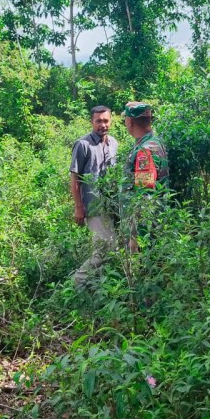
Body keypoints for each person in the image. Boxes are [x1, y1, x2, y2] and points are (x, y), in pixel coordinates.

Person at [70, 105, 119, 287]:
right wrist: (79, 207)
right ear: (92, 122)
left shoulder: (113, 143)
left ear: (111, 121)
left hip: (111, 206)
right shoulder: (83, 144)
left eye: (106, 120)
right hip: (93, 206)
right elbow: (75, 179)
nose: (102, 125)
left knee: (112, 248)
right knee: (104, 249)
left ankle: (98, 288)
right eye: (98, 121)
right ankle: (77, 283)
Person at [121, 102, 169, 251]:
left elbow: (144, 196)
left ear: (129, 121)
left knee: (141, 270)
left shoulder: (146, 150)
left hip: (144, 229)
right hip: (153, 223)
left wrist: (135, 237)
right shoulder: (155, 142)